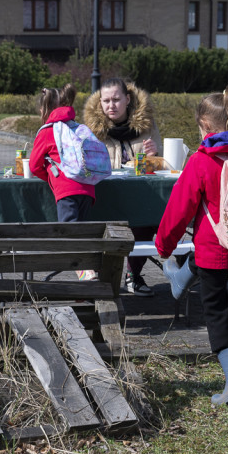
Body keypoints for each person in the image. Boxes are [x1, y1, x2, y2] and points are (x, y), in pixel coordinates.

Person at [154, 86, 228, 405]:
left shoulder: (202, 160)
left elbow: (178, 208)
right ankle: (179, 279)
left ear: (205, 126)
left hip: (215, 246)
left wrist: (163, 245)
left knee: (217, 312)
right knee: (199, 256)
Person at [84, 78, 163, 296]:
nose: (111, 105)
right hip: (104, 198)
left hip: (140, 196)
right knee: (97, 225)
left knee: (147, 219)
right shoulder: (90, 130)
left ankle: (132, 275)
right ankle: (100, 278)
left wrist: (154, 155)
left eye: (116, 100)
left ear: (127, 99)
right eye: (106, 100)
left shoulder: (147, 124)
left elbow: (163, 166)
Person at [29, 83, 98, 279]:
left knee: (68, 235)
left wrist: (52, 178)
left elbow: (34, 166)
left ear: (45, 110)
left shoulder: (46, 131)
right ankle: (91, 274)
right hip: (88, 190)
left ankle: (85, 273)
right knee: (82, 233)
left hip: (66, 192)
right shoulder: (79, 127)